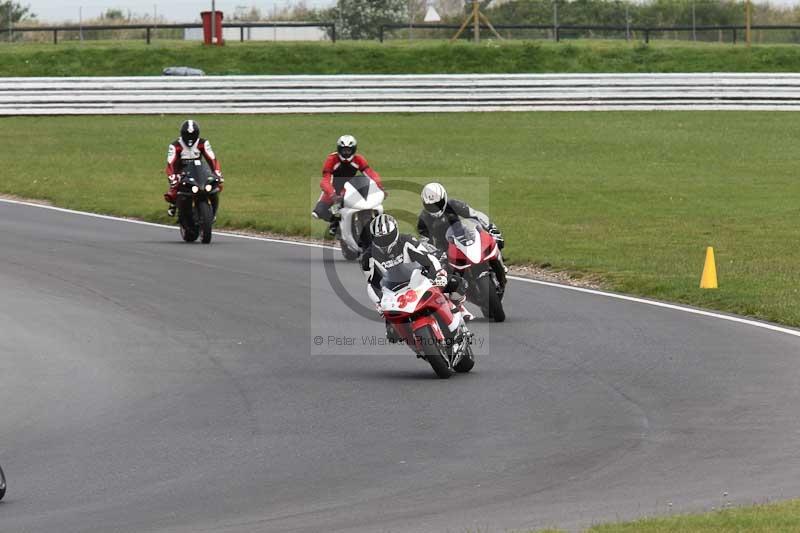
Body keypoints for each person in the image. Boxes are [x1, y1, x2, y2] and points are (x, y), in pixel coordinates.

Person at [362, 214, 470, 343]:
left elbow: (428, 258)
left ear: (395, 232)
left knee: (458, 284)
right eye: (380, 239)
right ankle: (417, 344)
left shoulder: (407, 240)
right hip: (394, 292)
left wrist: (439, 273)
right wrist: (379, 303)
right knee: (392, 335)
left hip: (419, 279)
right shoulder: (368, 257)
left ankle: (458, 309)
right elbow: (372, 284)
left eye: (387, 237)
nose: (384, 242)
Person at [312, 135, 385, 235]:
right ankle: (336, 222)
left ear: (353, 150)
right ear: (339, 150)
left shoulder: (358, 159)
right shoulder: (332, 159)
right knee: (318, 213)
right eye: (344, 150)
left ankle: (377, 222)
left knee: (365, 203)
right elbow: (325, 180)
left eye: (348, 150)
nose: (346, 153)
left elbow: (370, 173)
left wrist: (381, 187)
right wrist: (332, 194)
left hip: (351, 188)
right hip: (333, 188)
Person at [417, 182, 504, 254]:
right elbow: (424, 242)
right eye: (430, 206)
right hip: (443, 250)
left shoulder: (454, 205)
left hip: (467, 239)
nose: (434, 208)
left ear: (444, 198)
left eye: (438, 204)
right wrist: (434, 253)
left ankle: (497, 264)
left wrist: (491, 228)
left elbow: (476, 215)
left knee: (492, 246)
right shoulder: (423, 218)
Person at [164, 119, 223, 217]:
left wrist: (217, 173)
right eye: (187, 135)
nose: (190, 138)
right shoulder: (175, 145)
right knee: (174, 190)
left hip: (199, 170)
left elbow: (212, 159)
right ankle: (174, 204)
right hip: (182, 172)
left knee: (216, 187)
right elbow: (170, 163)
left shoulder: (203, 143)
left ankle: (213, 212)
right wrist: (172, 177)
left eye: (192, 135)